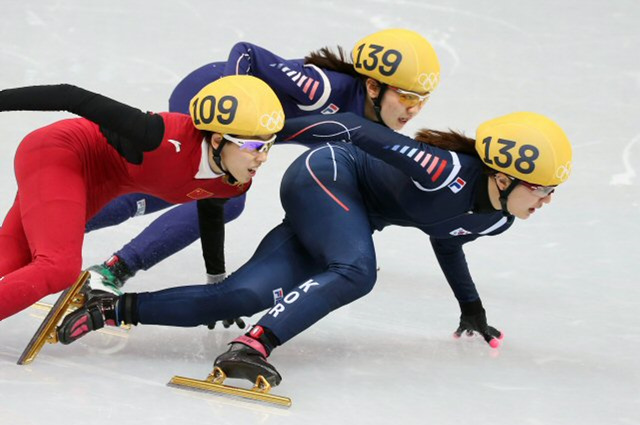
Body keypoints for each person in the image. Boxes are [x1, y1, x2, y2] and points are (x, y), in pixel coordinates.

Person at [57, 110, 573, 387]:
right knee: (356, 269)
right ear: (505, 176)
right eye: (541, 190)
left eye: (552, 194)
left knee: (239, 295)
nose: (546, 202)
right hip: (327, 174)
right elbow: (356, 130)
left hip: (346, 217)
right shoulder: (443, 171)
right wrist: (266, 136)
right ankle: (253, 347)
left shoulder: (501, 218)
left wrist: (472, 307)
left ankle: (109, 309)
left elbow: (449, 240)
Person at [83, 29, 441, 302]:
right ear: (374, 87)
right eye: (406, 96)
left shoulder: (374, 126)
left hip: (242, 136)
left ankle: (65, 225)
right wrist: (233, 100)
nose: (412, 110)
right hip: (209, 98)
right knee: (224, 197)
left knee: (172, 190)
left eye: (421, 101)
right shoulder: (321, 89)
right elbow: (247, 52)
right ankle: (114, 268)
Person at [0, 75, 285, 321]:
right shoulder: (159, 136)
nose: (263, 157)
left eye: (269, 144)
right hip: (63, 153)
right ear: (216, 139)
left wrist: (217, 281)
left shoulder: (232, 183)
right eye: (253, 145)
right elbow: (70, 96)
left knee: (12, 254)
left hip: (102, 183)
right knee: (58, 268)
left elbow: (210, 215)